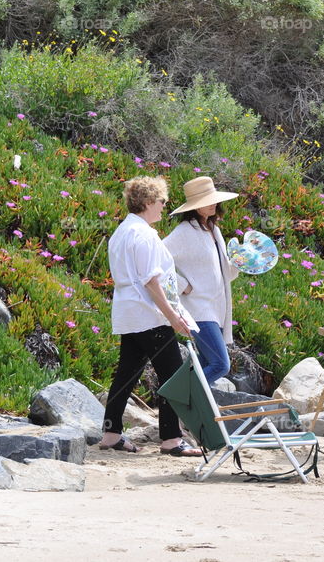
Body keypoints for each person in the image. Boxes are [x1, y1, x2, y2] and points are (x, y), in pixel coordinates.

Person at [100, 175, 202, 457]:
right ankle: (171, 439)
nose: (164, 207)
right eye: (162, 201)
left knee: (127, 372)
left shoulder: (123, 231)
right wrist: (173, 316)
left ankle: (111, 432)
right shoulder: (143, 234)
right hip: (149, 315)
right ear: (147, 203)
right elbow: (151, 281)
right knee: (172, 374)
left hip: (129, 313)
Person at [164, 176, 240, 385]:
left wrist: (240, 263)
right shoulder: (184, 232)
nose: (214, 203)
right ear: (196, 207)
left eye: (215, 199)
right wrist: (182, 285)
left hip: (217, 308)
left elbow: (226, 274)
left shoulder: (214, 230)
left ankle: (193, 412)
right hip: (198, 309)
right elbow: (155, 259)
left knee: (206, 364)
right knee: (220, 365)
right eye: (209, 201)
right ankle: (176, 392)